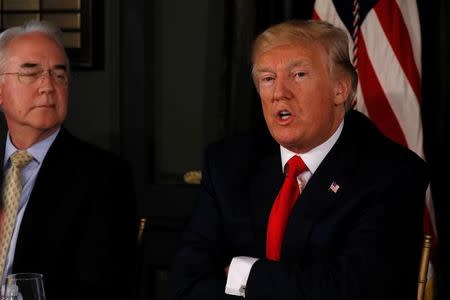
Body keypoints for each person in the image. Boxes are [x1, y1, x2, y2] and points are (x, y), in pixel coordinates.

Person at [170, 20, 428, 300]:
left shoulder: (392, 173)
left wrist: (242, 273)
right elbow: (186, 284)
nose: (279, 92)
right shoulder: (227, 163)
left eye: (299, 74)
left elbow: (355, 290)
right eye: (268, 78)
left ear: (340, 89)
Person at [0, 20, 136, 299]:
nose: (48, 86)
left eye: (59, 76)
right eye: (31, 73)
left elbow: (101, 287)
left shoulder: (104, 177)